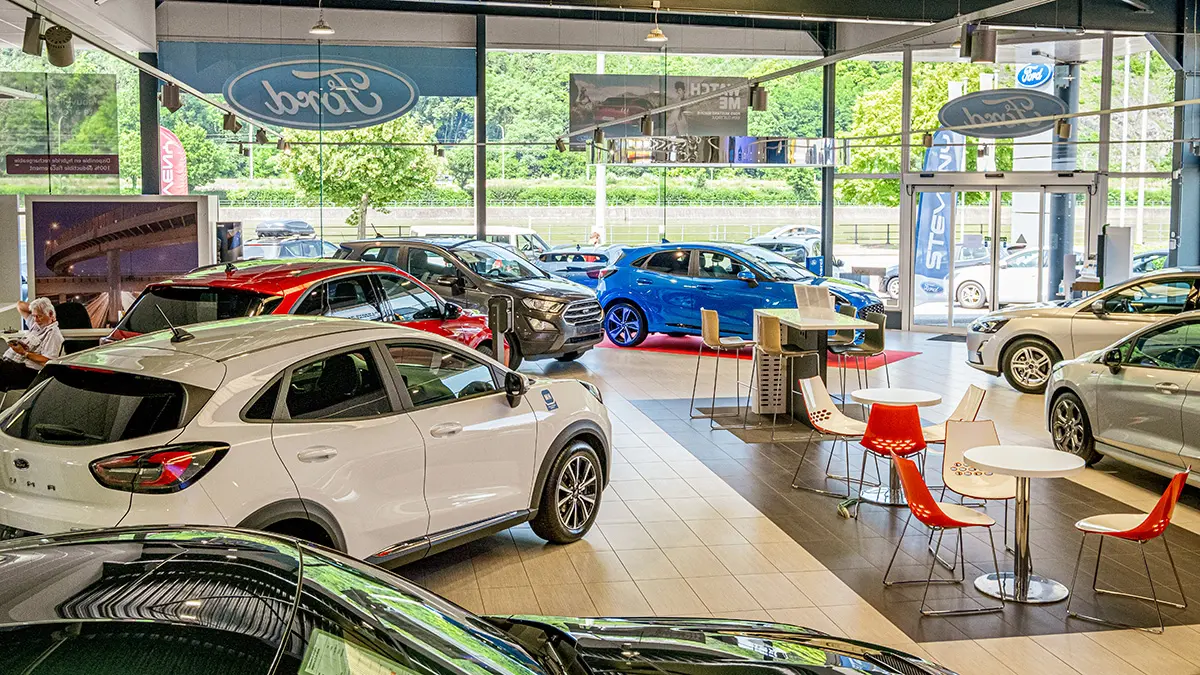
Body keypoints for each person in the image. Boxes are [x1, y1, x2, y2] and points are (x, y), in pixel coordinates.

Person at [0, 298, 63, 391]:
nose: (36, 320)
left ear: (50, 314)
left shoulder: (54, 334)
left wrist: (24, 353)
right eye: (34, 316)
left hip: (25, 372)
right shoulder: (36, 325)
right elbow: (20, 305)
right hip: (9, 365)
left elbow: (48, 362)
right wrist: (36, 308)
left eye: (39, 316)